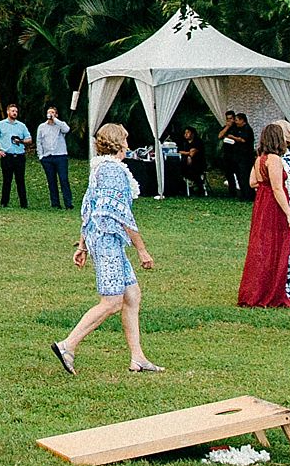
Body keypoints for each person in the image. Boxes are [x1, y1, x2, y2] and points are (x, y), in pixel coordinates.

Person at [52, 124, 162, 375]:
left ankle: (138, 358)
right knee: (112, 302)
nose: (128, 140)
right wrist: (142, 249)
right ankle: (67, 345)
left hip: (101, 240)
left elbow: (87, 207)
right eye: (125, 137)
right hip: (107, 241)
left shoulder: (101, 168)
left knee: (132, 295)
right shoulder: (112, 171)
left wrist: (82, 245)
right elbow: (120, 213)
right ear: (119, 142)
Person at [237, 120, 290, 307]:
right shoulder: (274, 159)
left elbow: (252, 182)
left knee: (265, 245)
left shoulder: (260, 158)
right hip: (277, 204)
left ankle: (263, 287)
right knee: (280, 246)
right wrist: (289, 213)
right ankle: (278, 289)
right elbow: (277, 188)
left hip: (263, 203)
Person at [0, 104, 32, 207]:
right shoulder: (1, 124)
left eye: (16, 111)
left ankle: (23, 203)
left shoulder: (21, 126)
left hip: (19, 156)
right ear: (8, 112)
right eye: (12, 111)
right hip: (7, 156)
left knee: (20, 180)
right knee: (7, 180)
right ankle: (4, 202)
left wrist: (21, 141)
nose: (14, 113)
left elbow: (29, 139)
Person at [36, 107, 73, 209]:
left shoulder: (60, 125)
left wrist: (55, 120)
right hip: (47, 157)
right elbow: (39, 141)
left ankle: (68, 203)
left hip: (60, 156)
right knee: (51, 180)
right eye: (48, 112)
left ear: (56, 114)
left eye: (52, 112)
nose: (50, 114)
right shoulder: (42, 127)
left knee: (63, 179)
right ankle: (55, 203)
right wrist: (41, 156)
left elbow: (67, 129)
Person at [219, 113, 253, 197]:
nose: (230, 121)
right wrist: (227, 127)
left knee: (242, 175)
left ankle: (246, 194)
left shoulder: (244, 128)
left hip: (243, 155)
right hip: (230, 155)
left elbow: (243, 140)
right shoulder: (228, 128)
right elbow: (220, 136)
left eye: (232, 119)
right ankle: (233, 192)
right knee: (229, 174)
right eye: (227, 119)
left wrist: (232, 137)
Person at [173, 125, 207, 196]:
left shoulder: (197, 142)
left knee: (191, 171)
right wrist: (187, 154)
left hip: (198, 164)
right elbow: (177, 151)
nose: (186, 134)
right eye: (185, 133)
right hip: (185, 163)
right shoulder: (184, 142)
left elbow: (192, 154)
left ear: (193, 134)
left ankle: (198, 188)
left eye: (188, 132)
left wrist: (186, 154)